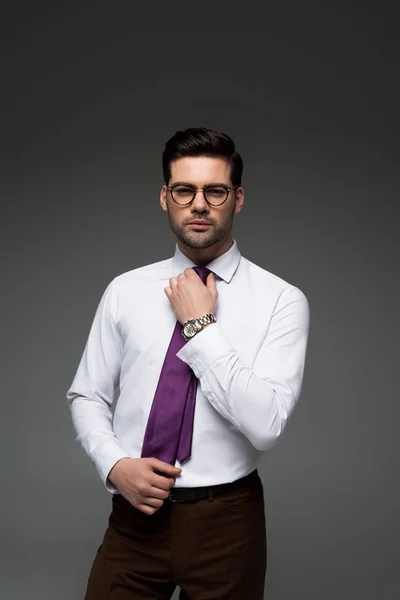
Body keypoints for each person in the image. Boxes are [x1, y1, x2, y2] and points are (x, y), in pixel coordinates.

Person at [66, 127, 310, 599]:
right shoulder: (125, 290)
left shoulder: (282, 300)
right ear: (165, 197)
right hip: (134, 520)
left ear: (237, 199)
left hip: (227, 525)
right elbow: (87, 394)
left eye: (215, 191)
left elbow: (266, 426)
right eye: (184, 190)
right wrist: (114, 464)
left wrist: (200, 326)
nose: (199, 204)